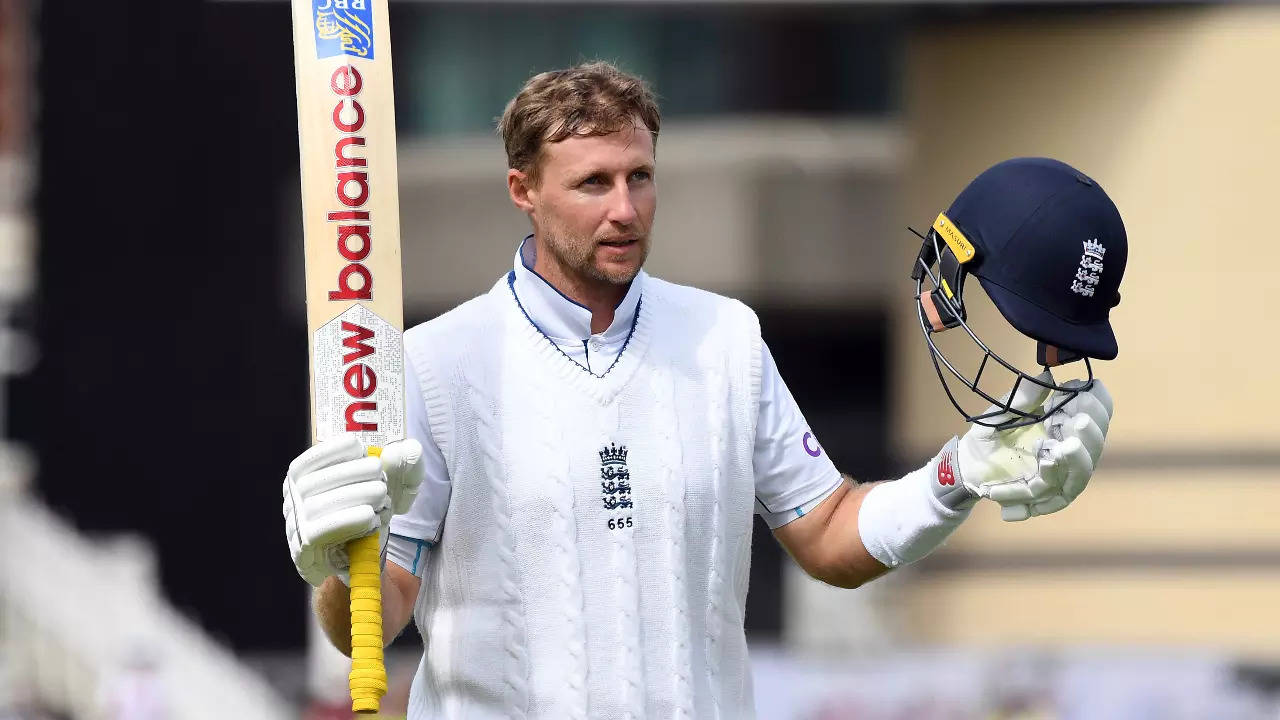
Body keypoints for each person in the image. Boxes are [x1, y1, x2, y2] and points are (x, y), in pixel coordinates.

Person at [282, 62, 1123, 719]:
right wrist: (335, 566)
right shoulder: (434, 362)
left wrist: (958, 474)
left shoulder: (725, 338)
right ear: (523, 191)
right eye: (592, 183)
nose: (626, 209)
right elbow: (373, 621)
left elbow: (828, 536)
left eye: (640, 177)